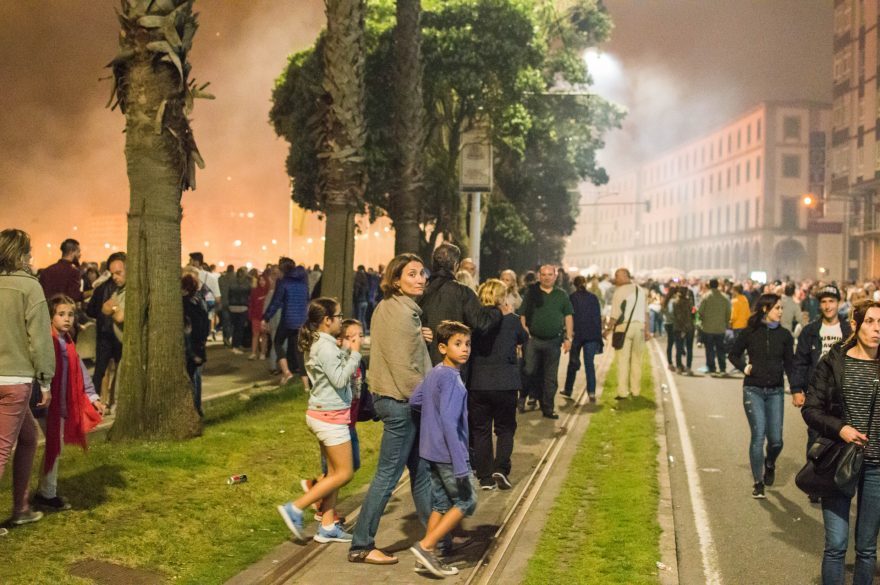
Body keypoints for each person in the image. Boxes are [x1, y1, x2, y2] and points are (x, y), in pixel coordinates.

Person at [348, 254, 433, 565]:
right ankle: (361, 544)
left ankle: (436, 537)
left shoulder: (398, 309)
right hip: (401, 403)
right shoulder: (400, 313)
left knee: (422, 471)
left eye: (422, 273)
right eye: (412, 274)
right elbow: (404, 368)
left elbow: (405, 350)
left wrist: (422, 337)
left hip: (399, 401)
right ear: (396, 280)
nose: (421, 278)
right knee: (387, 475)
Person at [803, 299, 880, 585]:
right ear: (855, 325)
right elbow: (811, 409)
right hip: (839, 460)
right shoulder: (835, 361)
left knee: (867, 549)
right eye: (870, 321)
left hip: (876, 467)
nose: (876, 329)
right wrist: (841, 429)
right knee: (836, 545)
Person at [277, 297, 362, 544]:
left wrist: (345, 351)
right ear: (327, 321)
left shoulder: (322, 343)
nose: (341, 320)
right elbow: (338, 379)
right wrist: (355, 355)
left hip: (324, 413)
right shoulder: (324, 346)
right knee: (345, 472)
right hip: (330, 417)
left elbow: (330, 370)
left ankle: (327, 526)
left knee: (333, 473)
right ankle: (295, 508)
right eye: (338, 316)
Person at [409, 320, 477, 578]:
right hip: (450, 454)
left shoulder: (435, 373)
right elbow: (450, 422)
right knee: (467, 500)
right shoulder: (454, 381)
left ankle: (426, 556)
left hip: (431, 451)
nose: (465, 349)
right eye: (457, 344)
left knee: (440, 503)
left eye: (467, 344)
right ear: (442, 347)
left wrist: (431, 420)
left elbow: (416, 400)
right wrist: (461, 463)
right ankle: (426, 547)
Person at [0, 229, 55, 533]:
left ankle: (20, 508)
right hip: (14, 378)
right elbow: (40, 341)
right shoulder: (29, 287)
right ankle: (18, 509)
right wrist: (45, 381)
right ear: (21, 254)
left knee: (29, 438)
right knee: (2, 449)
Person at [34, 294, 106, 512]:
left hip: (59, 403)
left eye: (71, 315)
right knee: (53, 446)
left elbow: (80, 371)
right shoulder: (48, 340)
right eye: (61, 314)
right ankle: (45, 493)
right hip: (44, 403)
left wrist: (92, 396)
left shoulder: (67, 341)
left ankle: (45, 491)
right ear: (50, 317)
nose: (67, 319)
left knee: (55, 447)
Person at [728, 293, 794, 499]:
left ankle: (770, 462)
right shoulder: (750, 332)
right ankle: (758, 482)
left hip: (775, 391)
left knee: (776, 441)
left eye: (781, 308)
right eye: (777, 308)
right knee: (758, 435)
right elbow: (733, 354)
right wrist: (744, 367)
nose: (781, 312)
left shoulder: (785, 335)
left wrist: (797, 389)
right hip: (753, 390)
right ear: (766, 309)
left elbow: (790, 364)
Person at [468, 279, 527, 490]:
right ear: (502, 298)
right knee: (505, 429)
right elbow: (523, 337)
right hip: (505, 383)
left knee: (481, 430)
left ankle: (484, 477)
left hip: (479, 383)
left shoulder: (474, 321)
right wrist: (511, 315)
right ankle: (500, 469)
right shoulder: (510, 320)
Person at [418, 243, 501, 367]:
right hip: (452, 363)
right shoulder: (463, 292)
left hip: (423, 361)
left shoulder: (419, 291)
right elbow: (481, 323)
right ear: (456, 266)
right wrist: (496, 311)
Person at [520, 265, 574, 419]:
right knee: (529, 370)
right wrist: (526, 332)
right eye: (543, 274)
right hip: (533, 340)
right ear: (539, 276)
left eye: (550, 274)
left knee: (550, 377)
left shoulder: (561, 295)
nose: (547, 277)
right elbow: (522, 314)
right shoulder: (532, 293)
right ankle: (523, 397)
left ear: (555, 276)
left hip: (553, 342)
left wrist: (568, 338)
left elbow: (568, 317)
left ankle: (548, 408)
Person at [85, 252, 126, 409]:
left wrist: (111, 309)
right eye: (113, 272)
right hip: (112, 333)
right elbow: (104, 309)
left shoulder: (103, 287)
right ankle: (106, 402)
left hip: (105, 332)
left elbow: (94, 310)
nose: (116, 277)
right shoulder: (113, 289)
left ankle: (99, 403)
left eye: (119, 272)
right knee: (113, 369)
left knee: (102, 370)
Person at [262, 258, 310, 387]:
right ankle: (306, 385)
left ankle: (286, 372)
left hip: (287, 320)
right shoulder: (303, 283)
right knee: (299, 351)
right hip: (301, 321)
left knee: (277, 342)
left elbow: (276, 302)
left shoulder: (283, 283)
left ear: (283, 269)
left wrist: (266, 317)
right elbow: (307, 300)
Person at [604, 268, 648, 399]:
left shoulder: (620, 291)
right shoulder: (641, 290)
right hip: (639, 327)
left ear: (625, 276)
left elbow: (615, 315)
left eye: (617, 276)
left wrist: (607, 329)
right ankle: (636, 391)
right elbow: (646, 313)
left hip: (624, 327)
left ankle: (623, 392)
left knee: (623, 361)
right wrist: (647, 331)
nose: (615, 278)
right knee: (637, 361)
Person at [563, 275, 603, 403]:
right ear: (585, 283)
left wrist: (567, 335)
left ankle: (568, 390)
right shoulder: (593, 298)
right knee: (589, 364)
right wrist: (599, 337)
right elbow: (597, 318)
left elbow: (568, 317)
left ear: (574, 285)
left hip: (576, 335)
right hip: (591, 335)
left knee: (573, 363)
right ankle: (591, 392)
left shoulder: (572, 298)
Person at [182, 272, 210, 417]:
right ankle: (197, 407)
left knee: (192, 378)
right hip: (198, 344)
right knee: (196, 377)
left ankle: (194, 407)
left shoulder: (185, 303)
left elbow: (188, 330)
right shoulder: (199, 300)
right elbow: (205, 322)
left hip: (191, 346)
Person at [699, 279, 731, 377]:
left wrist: (703, 320)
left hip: (708, 328)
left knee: (709, 349)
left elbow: (700, 311)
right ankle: (722, 368)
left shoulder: (705, 297)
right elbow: (728, 312)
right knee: (720, 349)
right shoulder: (725, 297)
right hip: (720, 328)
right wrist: (726, 322)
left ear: (709, 285)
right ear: (717, 285)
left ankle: (712, 368)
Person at [39, 238, 83, 305]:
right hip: (64, 311)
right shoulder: (74, 271)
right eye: (78, 252)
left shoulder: (46, 271)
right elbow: (75, 296)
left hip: (48, 311)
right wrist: (93, 291)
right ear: (71, 252)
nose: (80, 255)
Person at [226, 267, 252, 354]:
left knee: (235, 328)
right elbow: (250, 294)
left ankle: (235, 345)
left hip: (232, 307)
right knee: (240, 328)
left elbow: (228, 294)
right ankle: (236, 346)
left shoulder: (232, 282)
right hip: (243, 307)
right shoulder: (247, 283)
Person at [248, 270, 271, 360]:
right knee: (255, 334)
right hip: (256, 316)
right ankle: (253, 353)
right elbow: (251, 304)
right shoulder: (254, 291)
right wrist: (250, 315)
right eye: (260, 280)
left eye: (263, 280)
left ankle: (262, 353)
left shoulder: (269, 292)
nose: (262, 282)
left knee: (264, 335)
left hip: (265, 317)